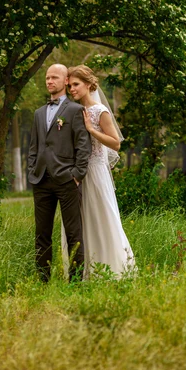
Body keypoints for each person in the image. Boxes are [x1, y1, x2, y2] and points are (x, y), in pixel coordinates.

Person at [64, 64, 135, 278]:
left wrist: (91, 130)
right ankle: (84, 271)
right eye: (69, 86)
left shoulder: (99, 111)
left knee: (102, 219)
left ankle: (114, 269)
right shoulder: (74, 111)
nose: (72, 89)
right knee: (82, 223)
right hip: (78, 174)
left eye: (76, 85)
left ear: (88, 84)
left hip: (96, 172)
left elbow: (115, 144)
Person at [28, 63, 92, 282]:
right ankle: (43, 281)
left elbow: (83, 146)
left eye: (54, 77)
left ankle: (75, 283)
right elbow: (34, 146)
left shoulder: (75, 110)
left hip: (67, 180)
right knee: (42, 235)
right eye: (47, 78)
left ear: (65, 81)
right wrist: (32, 171)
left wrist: (77, 175)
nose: (49, 81)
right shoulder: (38, 113)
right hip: (41, 180)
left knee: (74, 234)